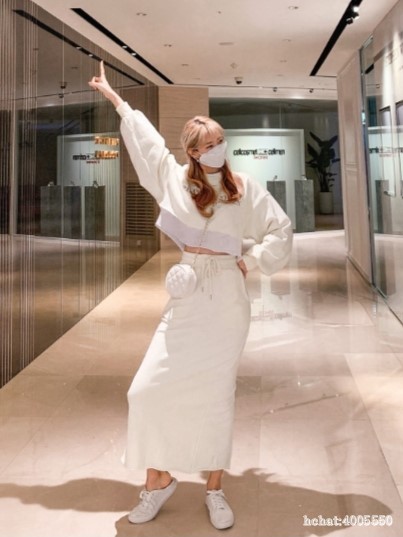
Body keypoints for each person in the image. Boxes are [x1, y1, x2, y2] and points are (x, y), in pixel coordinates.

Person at [89, 61, 292, 530]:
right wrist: (116, 100)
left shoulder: (244, 189)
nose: (218, 148)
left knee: (215, 396)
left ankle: (214, 489)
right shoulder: (176, 181)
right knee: (146, 390)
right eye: (208, 144)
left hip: (227, 300)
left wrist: (252, 261)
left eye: (220, 140)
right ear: (194, 152)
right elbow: (148, 147)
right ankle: (158, 480)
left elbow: (280, 229)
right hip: (186, 296)